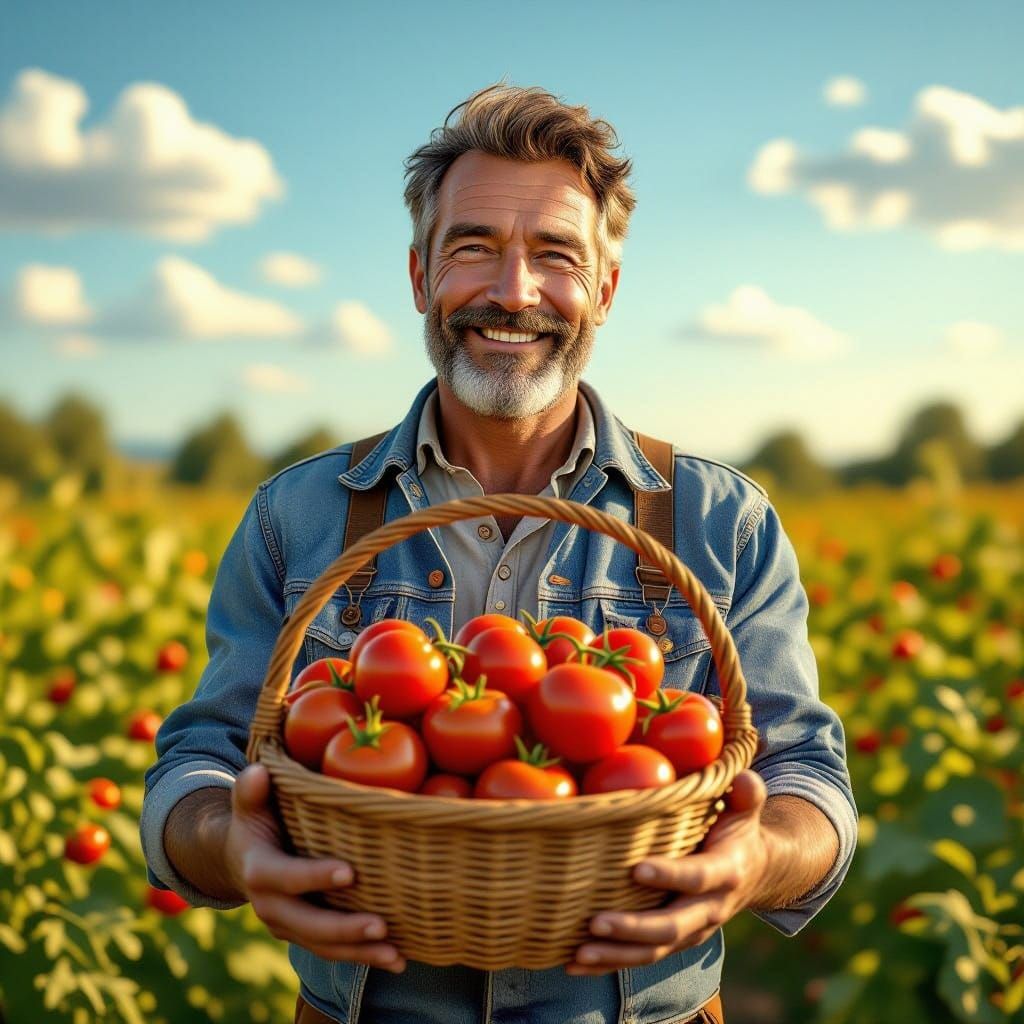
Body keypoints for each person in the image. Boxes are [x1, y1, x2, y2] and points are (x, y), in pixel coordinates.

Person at [141, 84, 857, 1024]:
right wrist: (228, 848)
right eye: (472, 247)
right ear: (419, 277)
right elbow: (200, 760)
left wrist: (758, 857)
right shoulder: (299, 516)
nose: (512, 292)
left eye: (555, 256)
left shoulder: (724, 524)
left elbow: (808, 775)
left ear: (602, 289)